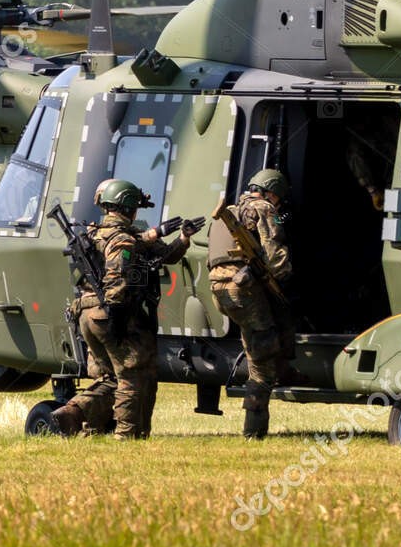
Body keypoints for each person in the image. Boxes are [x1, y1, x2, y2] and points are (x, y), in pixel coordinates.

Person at [50, 180, 192, 438]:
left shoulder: (94, 232)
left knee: (108, 378)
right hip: (111, 313)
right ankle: (128, 435)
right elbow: (117, 277)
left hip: (87, 312)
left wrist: (182, 239)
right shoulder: (124, 240)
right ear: (129, 207)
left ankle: (77, 415)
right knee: (132, 374)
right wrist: (116, 314)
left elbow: (159, 252)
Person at [207, 168, 293, 439]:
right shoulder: (264, 208)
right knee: (263, 362)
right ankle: (253, 432)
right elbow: (276, 255)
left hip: (219, 289)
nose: (277, 204)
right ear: (270, 193)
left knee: (254, 342)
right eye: (277, 198)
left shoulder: (231, 211)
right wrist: (285, 279)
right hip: (244, 290)